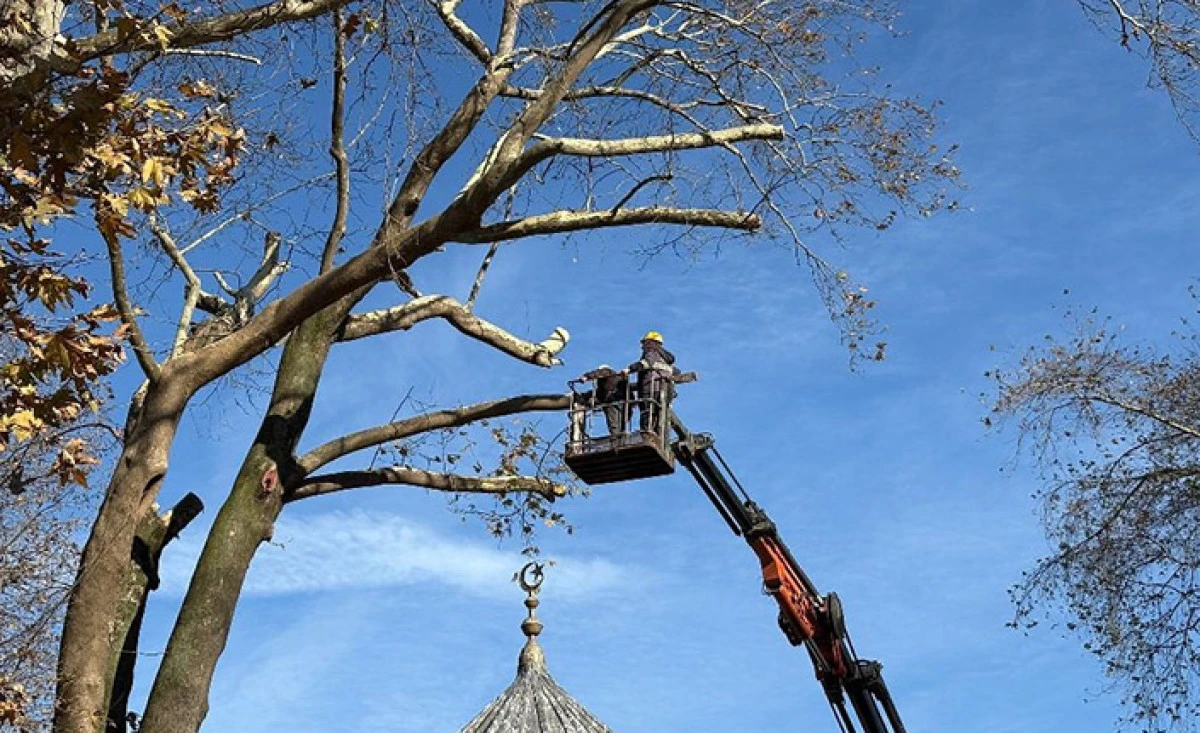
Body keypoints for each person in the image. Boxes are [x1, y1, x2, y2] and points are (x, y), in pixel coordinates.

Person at [628, 331, 694, 434]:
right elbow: (675, 373)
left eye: (644, 343)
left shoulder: (651, 351)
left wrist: (629, 369)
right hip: (663, 391)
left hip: (649, 388)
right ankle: (657, 434)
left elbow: (645, 363)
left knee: (647, 412)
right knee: (659, 415)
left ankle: (646, 433)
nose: (642, 347)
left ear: (650, 342)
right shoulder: (664, 360)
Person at [578, 364, 628, 436]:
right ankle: (621, 438)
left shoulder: (607, 372)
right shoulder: (616, 379)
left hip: (612, 400)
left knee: (613, 423)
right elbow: (599, 392)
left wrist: (586, 376)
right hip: (622, 402)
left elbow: (599, 374)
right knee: (621, 424)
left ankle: (616, 439)